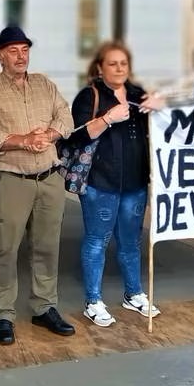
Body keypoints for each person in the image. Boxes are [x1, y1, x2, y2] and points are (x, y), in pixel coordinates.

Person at [0, 26, 76, 345]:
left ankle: (44, 307)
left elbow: (66, 117)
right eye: (14, 51)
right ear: (0, 56)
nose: (21, 56)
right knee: (5, 248)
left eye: (25, 50)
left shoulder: (44, 84)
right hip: (11, 181)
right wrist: (22, 140)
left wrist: (50, 135)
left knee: (47, 246)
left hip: (49, 178)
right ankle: (3, 313)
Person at [65, 41, 165, 328]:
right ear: (100, 67)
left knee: (131, 241)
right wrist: (108, 118)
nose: (119, 68)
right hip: (100, 182)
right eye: (112, 63)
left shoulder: (137, 94)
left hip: (135, 182)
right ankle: (93, 301)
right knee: (97, 241)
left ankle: (133, 293)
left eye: (123, 63)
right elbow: (78, 136)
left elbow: (166, 123)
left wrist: (159, 105)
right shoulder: (90, 96)